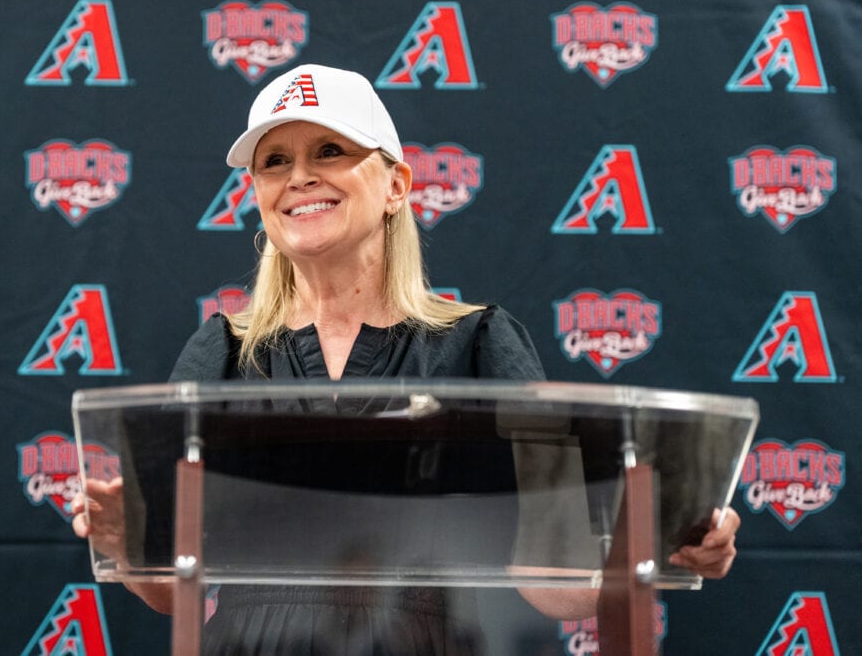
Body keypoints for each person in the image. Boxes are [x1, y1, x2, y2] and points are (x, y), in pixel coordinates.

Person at [72, 64, 740, 654]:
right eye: (274, 161)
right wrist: (126, 541)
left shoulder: (480, 343)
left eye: (329, 150)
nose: (299, 176)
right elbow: (168, 587)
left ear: (396, 184)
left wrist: (653, 549)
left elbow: (550, 580)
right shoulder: (219, 351)